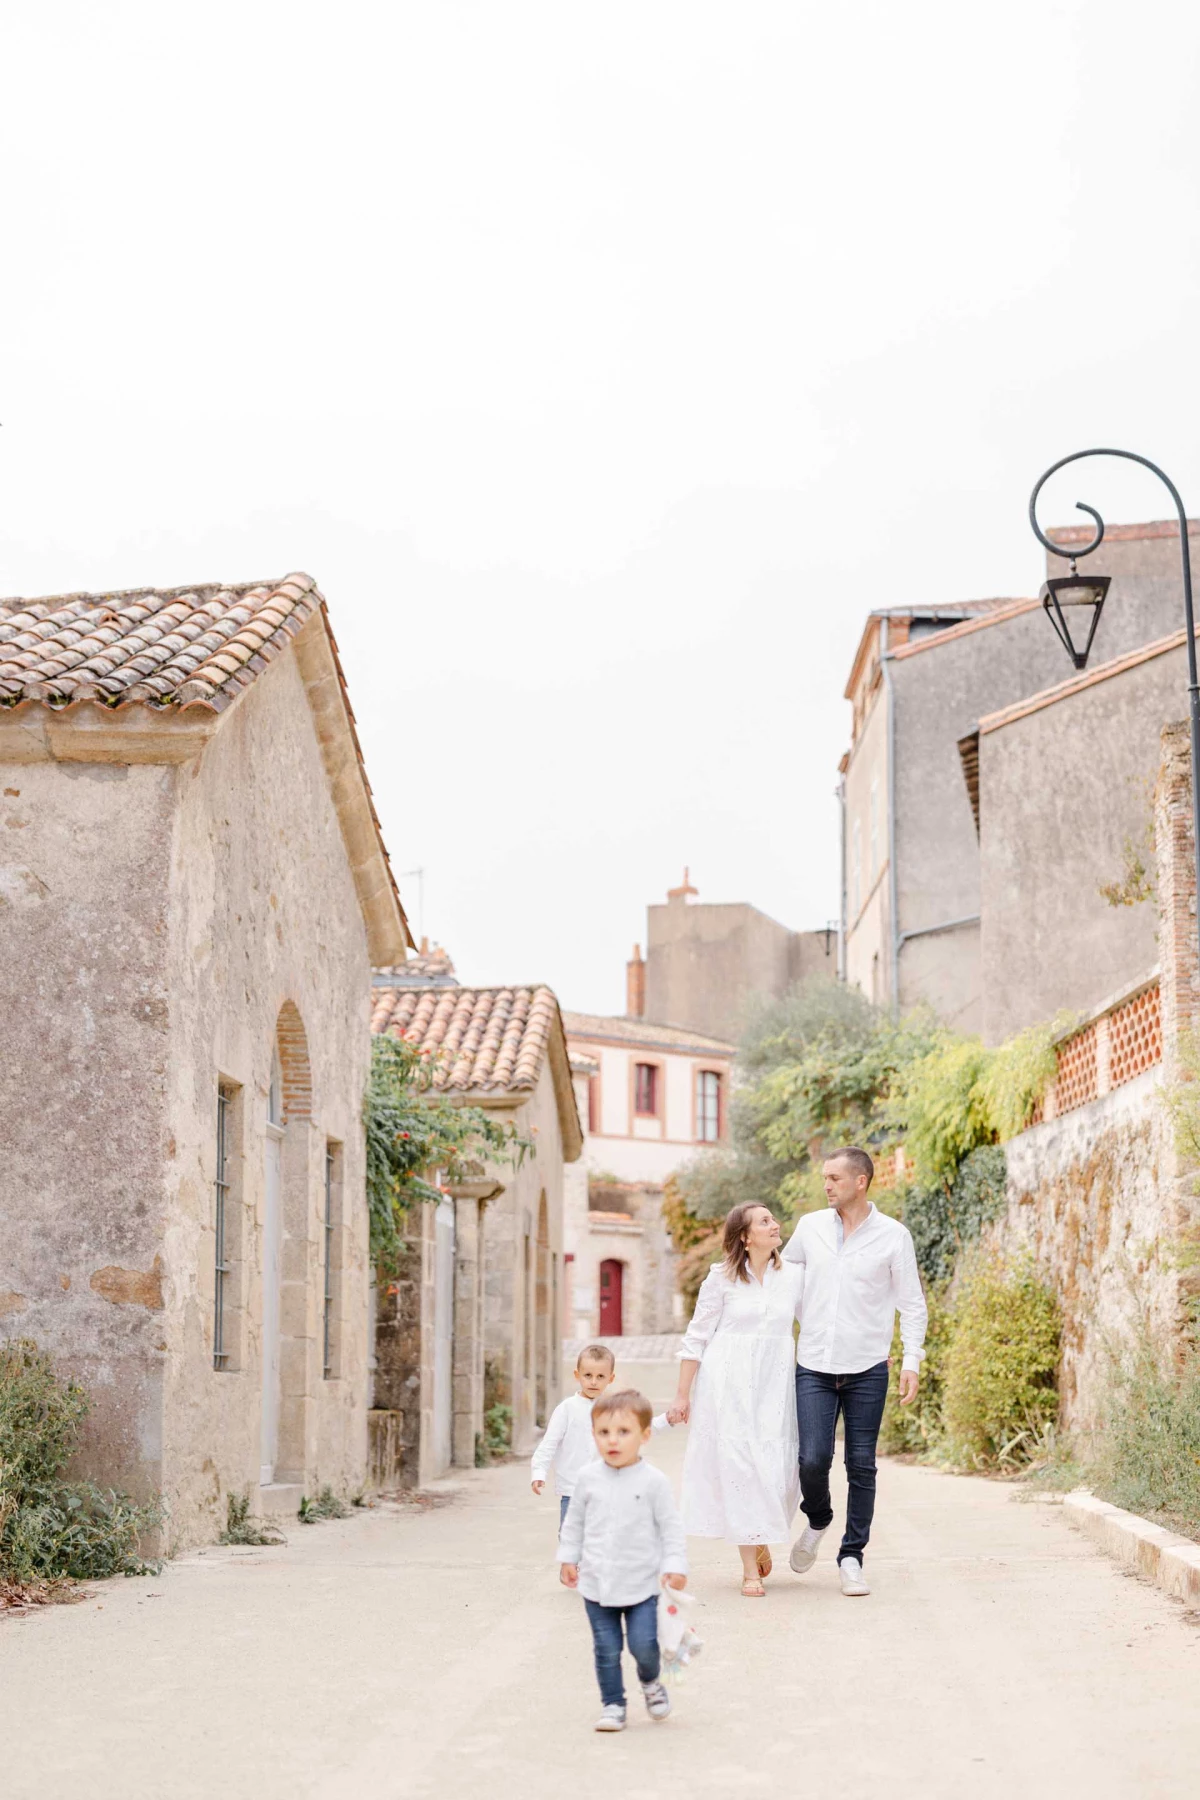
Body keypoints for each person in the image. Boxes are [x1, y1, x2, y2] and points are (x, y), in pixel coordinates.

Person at [783, 1145, 928, 1598]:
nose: (826, 1185)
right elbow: (781, 1283)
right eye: (824, 1178)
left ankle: (852, 1556)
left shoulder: (893, 1236)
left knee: (861, 1465)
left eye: (834, 1178)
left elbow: (912, 1303)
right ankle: (819, 1518)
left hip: (867, 1366)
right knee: (812, 1459)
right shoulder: (809, 1228)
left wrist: (911, 1360)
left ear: (860, 1181)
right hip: (814, 1364)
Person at [669, 1203, 805, 1597]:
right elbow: (696, 1337)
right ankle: (750, 1568)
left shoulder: (794, 1277)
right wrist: (682, 1395)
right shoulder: (721, 1278)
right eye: (765, 1221)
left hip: (774, 1386)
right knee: (741, 1469)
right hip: (726, 1384)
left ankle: (759, 1531)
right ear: (744, 1237)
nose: (775, 1224)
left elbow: (816, 1325)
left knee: (778, 1470)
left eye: (773, 1218)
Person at [558, 1388, 688, 1733]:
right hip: (597, 1583)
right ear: (594, 1434)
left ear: (645, 1435)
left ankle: (651, 1683)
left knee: (643, 1645)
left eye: (623, 1432)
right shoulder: (587, 1479)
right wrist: (568, 1558)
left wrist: (675, 1564)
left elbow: (671, 1529)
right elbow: (574, 1524)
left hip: (643, 1584)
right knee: (606, 1648)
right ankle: (613, 1704)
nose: (612, 1440)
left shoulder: (654, 1482)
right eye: (603, 1432)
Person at [531, 1343, 615, 1526]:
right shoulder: (566, 1409)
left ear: (611, 1378)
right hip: (572, 1490)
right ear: (577, 1375)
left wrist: (666, 1420)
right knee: (570, 1540)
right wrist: (539, 1471)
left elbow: (637, 1428)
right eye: (588, 1375)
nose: (593, 1382)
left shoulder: (612, 1408)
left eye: (600, 1376)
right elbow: (549, 1443)